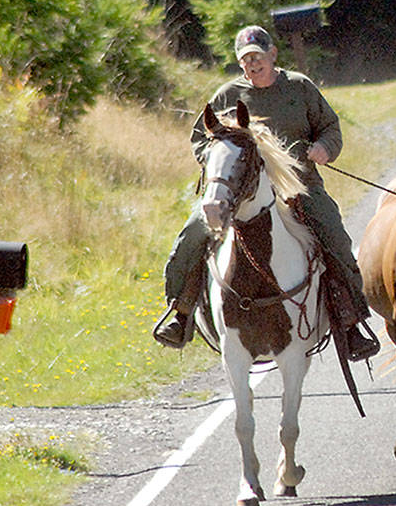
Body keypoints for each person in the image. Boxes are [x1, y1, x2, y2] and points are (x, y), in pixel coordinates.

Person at [153, 25, 381, 361]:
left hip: (299, 186)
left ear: (273, 54)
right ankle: (181, 312)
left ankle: (350, 322)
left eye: (258, 57)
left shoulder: (299, 87)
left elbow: (330, 127)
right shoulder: (227, 96)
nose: (252, 64)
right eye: (245, 60)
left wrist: (324, 148)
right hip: (240, 192)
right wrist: (218, 160)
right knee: (193, 234)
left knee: (333, 234)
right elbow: (201, 137)